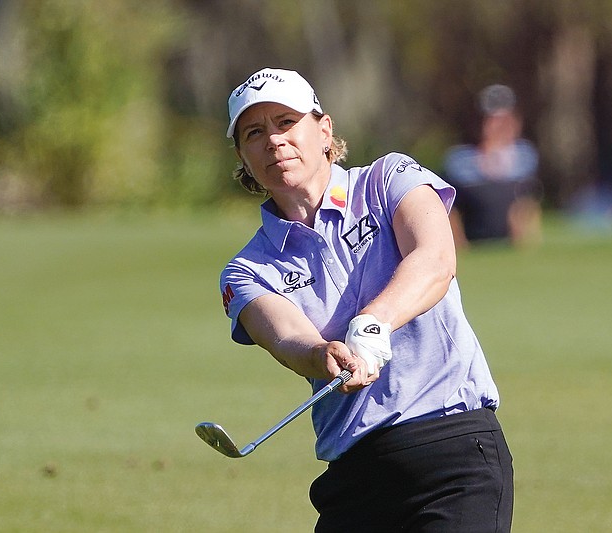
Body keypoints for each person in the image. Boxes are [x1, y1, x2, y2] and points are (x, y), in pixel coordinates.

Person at [218, 68, 513, 532]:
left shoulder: (389, 179)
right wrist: (323, 355)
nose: (274, 141)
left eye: (285, 122)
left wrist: (375, 320)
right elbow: (287, 338)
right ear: (241, 154)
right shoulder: (247, 270)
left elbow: (435, 259)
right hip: (355, 478)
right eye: (255, 132)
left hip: (453, 453)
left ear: (324, 129)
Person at [443, 84, 542, 249]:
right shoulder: (460, 160)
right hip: (473, 238)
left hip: (510, 240)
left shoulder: (525, 156)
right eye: (492, 120)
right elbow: (452, 208)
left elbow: (528, 202)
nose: (499, 127)